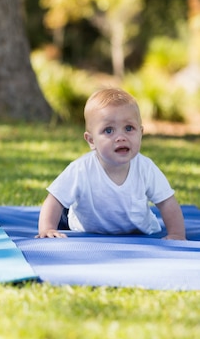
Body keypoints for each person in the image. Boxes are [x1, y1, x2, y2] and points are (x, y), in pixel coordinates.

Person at [37, 87, 186, 240]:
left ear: (141, 133)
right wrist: (47, 228)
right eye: (108, 131)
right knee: (64, 210)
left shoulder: (146, 168)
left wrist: (176, 233)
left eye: (129, 128)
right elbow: (55, 198)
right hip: (87, 229)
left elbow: (167, 202)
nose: (120, 137)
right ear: (91, 140)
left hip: (137, 231)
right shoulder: (81, 169)